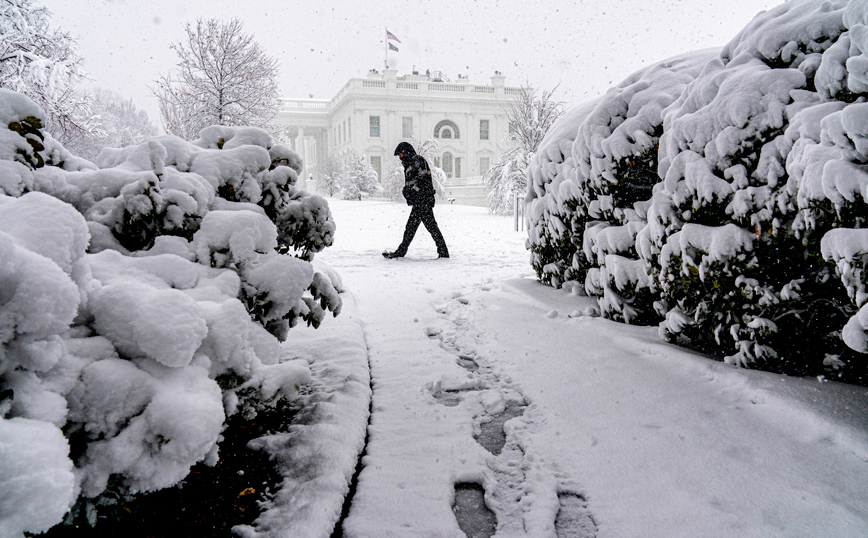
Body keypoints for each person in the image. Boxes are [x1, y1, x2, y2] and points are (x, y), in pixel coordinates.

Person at [383, 142, 449, 259]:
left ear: (407, 153)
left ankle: (402, 252)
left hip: (423, 201)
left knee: (417, 228)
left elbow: (424, 180)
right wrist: (406, 191)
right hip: (419, 202)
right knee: (421, 228)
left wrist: (413, 191)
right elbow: (411, 183)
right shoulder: (409, 166)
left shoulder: (418, 161)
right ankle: (443, 252)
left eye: (401, 155)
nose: (400, 158)